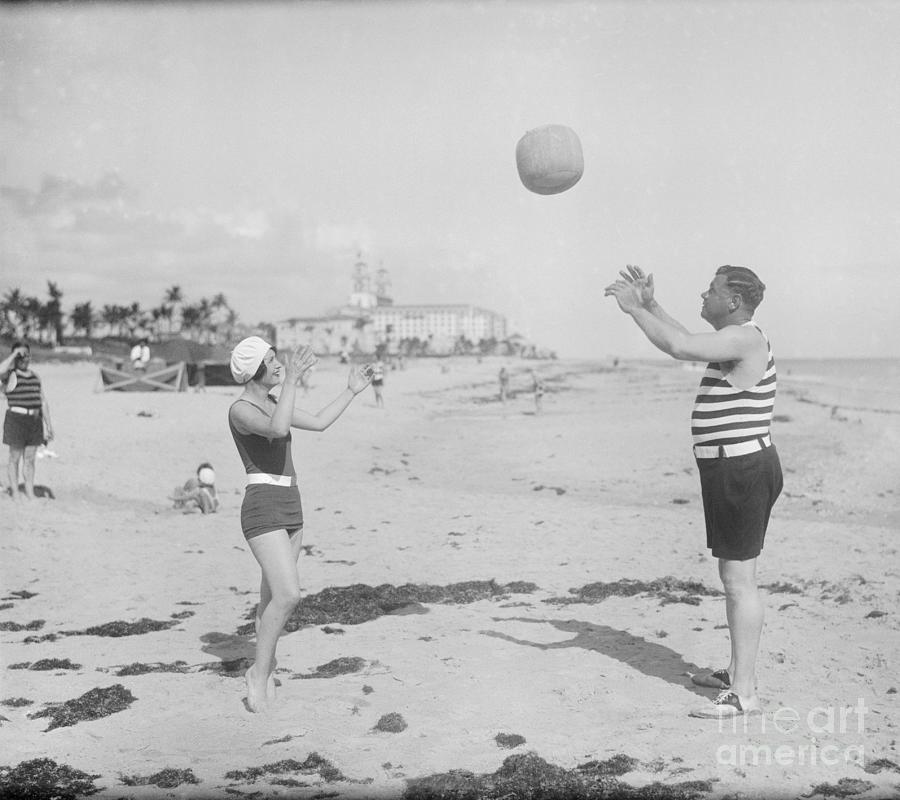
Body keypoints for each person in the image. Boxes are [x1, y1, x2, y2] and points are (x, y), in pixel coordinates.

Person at [605, 264, 782, 719]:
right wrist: (650, 303)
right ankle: (736, 672)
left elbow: (679, 345)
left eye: (712, 291)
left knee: (739, 582)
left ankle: (744, 693)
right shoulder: (734, 338)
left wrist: (632, 312)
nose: (703, 295)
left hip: (741, 468)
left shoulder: (745, 337)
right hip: (733, 467)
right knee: (735, 577)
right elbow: (685, 336)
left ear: (734, 302)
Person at [227, 336, 372, 713]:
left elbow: (320, 422)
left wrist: (351, 391)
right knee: (289, 596)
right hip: (262, 508)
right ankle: (259, 674)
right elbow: (275, 430)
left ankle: (265, 667)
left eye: (279, 362)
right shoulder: (240, 410)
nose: (278, 366)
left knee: (270, 599)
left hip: (291, 505)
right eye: (271, 362)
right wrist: (291, 379)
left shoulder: (277, 402)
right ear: (255, 370)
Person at [1, 342, 54, 501]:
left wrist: (49, 425)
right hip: (16, 420)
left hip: (34, 421)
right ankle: (15, 492)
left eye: (27, 355)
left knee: (30, 459)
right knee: (14, 457)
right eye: (21, 356)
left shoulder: (35, 376)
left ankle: (30, 492)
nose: (24, 359)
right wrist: (14, 354)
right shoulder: (10, 375)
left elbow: (43, 401)